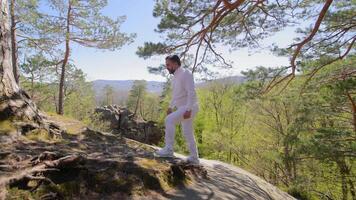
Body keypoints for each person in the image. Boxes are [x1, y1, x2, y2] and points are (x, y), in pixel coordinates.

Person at [154, 55, 200, 165]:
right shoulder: (175, 77)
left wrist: (188, 109)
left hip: (189, 106)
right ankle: (194, 158)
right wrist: (170, 107)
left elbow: (191, 92)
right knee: (187, 132)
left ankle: (169, 149)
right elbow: (176, 95)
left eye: (168, 65)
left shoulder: (186, 74)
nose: (167, 67)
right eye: (166, 65)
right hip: (183, 107)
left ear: (175, 63)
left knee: (169, 120)